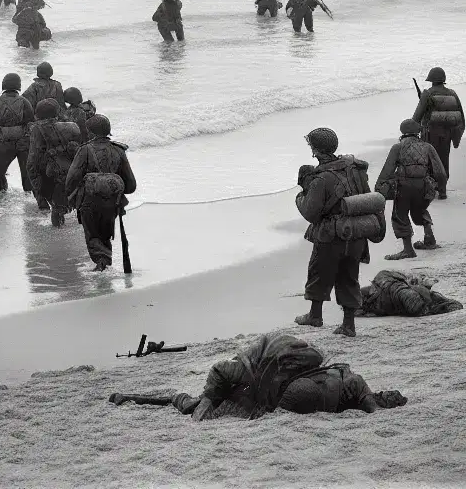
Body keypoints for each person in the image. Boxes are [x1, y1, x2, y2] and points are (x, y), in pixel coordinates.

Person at [114, 332, 406, 418]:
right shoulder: (243, 369)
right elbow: (218, 370)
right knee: (192, 404)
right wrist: (208, 401)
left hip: (267, 390)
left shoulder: (338, 382)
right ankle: (137, 398)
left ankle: (141, 398)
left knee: (195, 405)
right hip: (255, 384)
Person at [294, 128, 373, 337]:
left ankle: (315, 316)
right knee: (349, 277)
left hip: (331, 236)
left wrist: (300, 197)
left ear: (315, 150)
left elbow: (311, 213)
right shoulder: (355, 169)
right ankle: (349, 325)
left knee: (319, 273)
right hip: (357, 233)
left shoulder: (321, 178)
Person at [66, 115, 137, 269]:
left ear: (90, 132)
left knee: (92, 234)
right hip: (112, 203)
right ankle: (104, 260)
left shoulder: (84, 150)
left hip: (88, 201)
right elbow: (131, 185)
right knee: (105, 234)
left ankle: (101, 262)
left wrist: (70, 197)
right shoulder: (119, 150)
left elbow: (72, 178)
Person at [375, 119, 445, 259]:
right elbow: (440, 172)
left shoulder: (397, 147)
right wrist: (441, 189)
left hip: (403, 186)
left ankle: (408, 250)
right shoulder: (428, 147)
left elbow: (388, 170)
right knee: (420, 210)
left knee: (399, 215)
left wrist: (379, 187)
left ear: (402, 132)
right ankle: (429, 238)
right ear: (417, 132)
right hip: (423, 186)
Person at [411, 67, 466, 199]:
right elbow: (460, 117)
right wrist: (456, 137)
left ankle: (430, 189)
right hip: (447, 134)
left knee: (430, 161)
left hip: (430, 134)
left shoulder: (427, 94)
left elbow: (417, 117)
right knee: (443, 160)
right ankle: (442, 190)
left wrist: (412, 132)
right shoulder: (452, 94)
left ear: (431, 80)